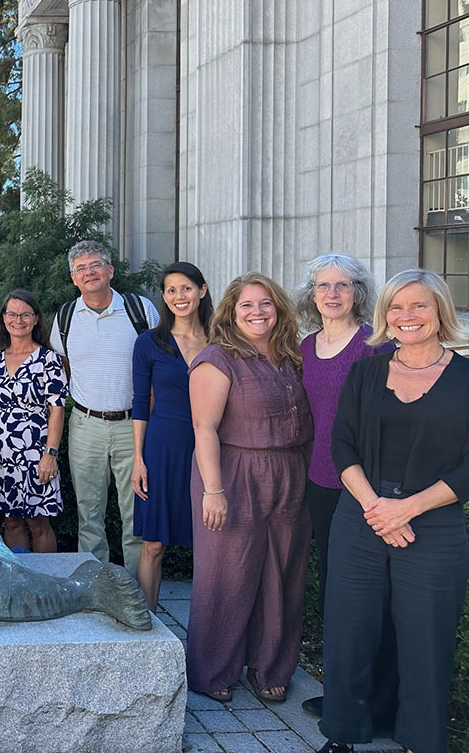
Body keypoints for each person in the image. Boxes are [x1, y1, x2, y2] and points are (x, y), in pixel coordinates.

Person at [317, 269, 469, 753]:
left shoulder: (466, 378)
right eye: (397, 307)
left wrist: (408, 509)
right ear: (384, 315)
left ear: (440, 310)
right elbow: (341, 445)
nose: (407, 316)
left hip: (434, 523)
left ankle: (420, 741)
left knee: (426, 641)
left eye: (419, 305)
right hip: (361, 516)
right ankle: (341, 734)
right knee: (348, 632)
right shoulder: (365, 370)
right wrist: (376, 508)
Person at [187, 273, 312, 704]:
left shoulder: (291, 357)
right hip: (234, 472)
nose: (257, 312)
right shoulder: (218, 358)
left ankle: (270, 666)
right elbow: (204, 429)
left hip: (290, 472)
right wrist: (213, 490)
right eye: (247, 305)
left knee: (282, 574)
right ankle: (212, 669)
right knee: (228, 572)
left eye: (266, 304)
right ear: (231, 312)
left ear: (278, 309)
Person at [292, 253, 397, 725]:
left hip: (366, 488)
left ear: (358, 292)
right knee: (338, 593)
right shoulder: (306, 347)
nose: (332, 294)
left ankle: (378, 703)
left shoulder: (376, 347)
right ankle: (343, 696)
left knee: (375, 597)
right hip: (321, 483)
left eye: (342, 285)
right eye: (322, 285)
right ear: (311, 295)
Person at [49, 240, 158, 575]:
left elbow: (159, 364)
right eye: (81, 268)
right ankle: (96, 591)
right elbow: (63, 366)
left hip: (133, 426)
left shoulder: (141, 311)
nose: (89, 272)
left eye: (95, 265)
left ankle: (138, 597)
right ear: (73, 278)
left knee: (136, 513)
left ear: (110, 270)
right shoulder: (66, 317)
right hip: (85, 425)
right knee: (89, 515)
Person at [131, 262, 211, 611]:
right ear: (163, 297)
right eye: (171, 290)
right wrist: (138, 458)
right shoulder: (149, 343)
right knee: (153, 544)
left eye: (187, 288)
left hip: (209, 448)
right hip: (161, 448)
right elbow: (139, 402)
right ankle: (145, 629)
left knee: (213, 545)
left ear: (202, 290)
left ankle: (212, 635)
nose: (180, 296)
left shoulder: (223, 339)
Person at [0, 289, 68, 553]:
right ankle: (22, 585)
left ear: (35, 319)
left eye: (25, 314)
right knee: (10, 521)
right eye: (12, 313)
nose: (18, 320)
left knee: (38, 522)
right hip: (0, 452)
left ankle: (48, 585)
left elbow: (57, 410)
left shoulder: (48, 360)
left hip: (36, 452)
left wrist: (50, 454)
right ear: (3, 318)